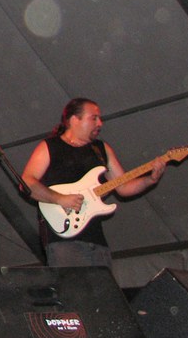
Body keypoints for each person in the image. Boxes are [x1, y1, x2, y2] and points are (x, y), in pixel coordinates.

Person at [21, 97, 166, 268]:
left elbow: (123, 187)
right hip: (63, 240)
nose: (100, 123)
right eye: (94, 118)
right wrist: (60, 199)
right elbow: (26, 182)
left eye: (99, 118)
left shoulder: (101, 149)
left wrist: (150, 179)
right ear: (74, 120)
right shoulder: (49, 146)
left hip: (96, 240)